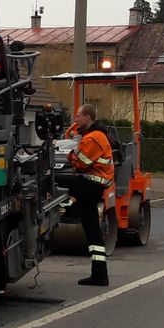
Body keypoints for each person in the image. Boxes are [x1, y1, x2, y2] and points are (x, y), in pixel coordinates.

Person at [61, 103, 114, 286]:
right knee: (92, 231)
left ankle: (69, 210)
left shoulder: (94, 137)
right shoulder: (91, 136)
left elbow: (81, 163)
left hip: (91, 183)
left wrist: (71, 155)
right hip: (93, 185)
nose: (75, 118)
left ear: (88, 117)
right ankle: (100, 275)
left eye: (78, 115)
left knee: (56, 183)